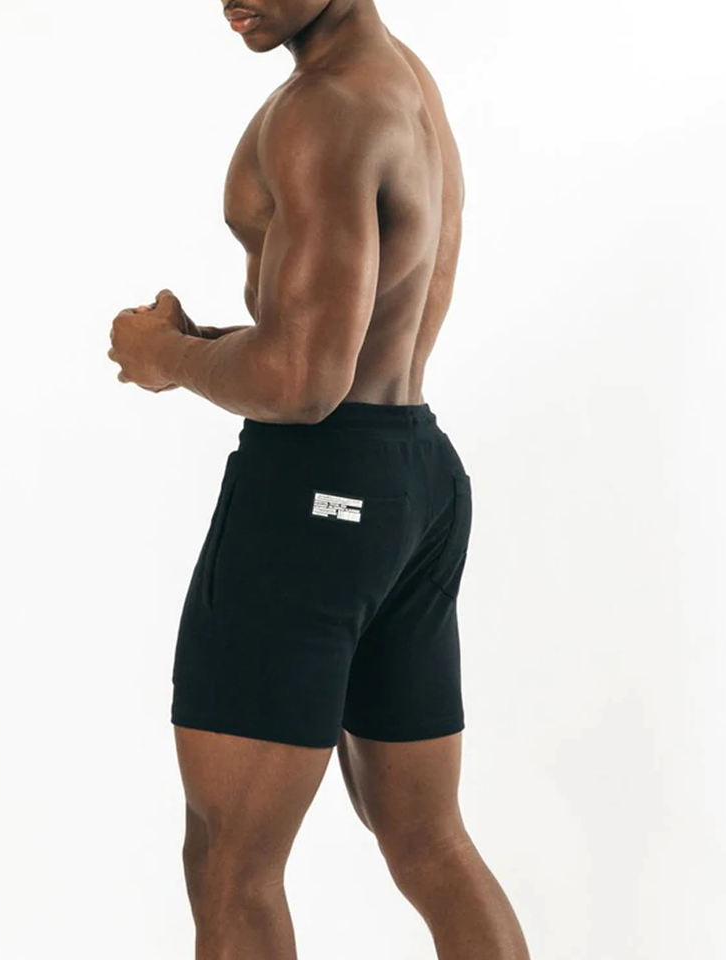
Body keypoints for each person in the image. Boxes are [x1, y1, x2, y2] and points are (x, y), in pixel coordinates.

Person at [107, 1, 529, 957]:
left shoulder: (324, 107)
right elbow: (350, 325)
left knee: (230, 862)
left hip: (315, 490)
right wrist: (213, 344)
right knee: (428, 840)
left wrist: (165, 357)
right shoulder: (403, 83)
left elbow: (303, 381)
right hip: (412, 474)